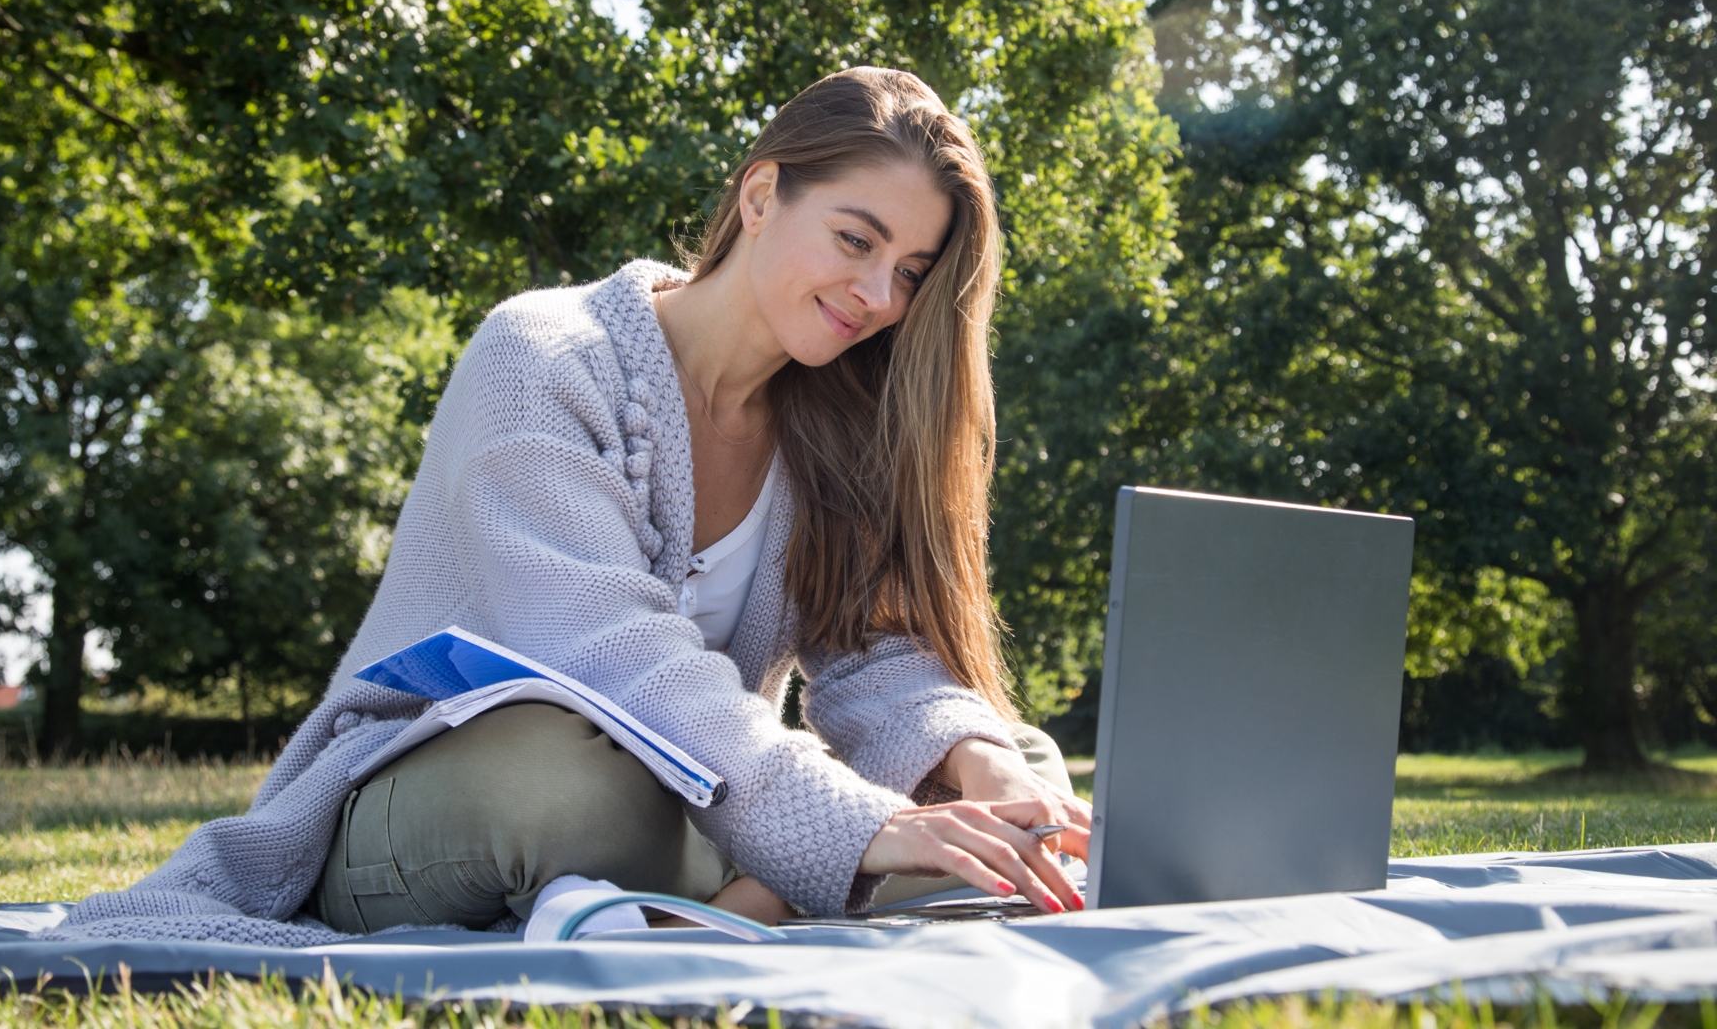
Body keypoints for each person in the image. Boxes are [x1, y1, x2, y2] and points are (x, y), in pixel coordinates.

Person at [55, 66, 1092, 945]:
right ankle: (766, 900)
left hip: (701, 809)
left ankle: (733, 909)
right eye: (856, 240)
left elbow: (879, 656)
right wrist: (848, 827)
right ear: (763, 193)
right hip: (453, 800)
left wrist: (975, 757)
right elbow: (610, 654)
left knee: (1014, 778)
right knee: (565, 775)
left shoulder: (840, 427)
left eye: (911, 272)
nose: (879, 297)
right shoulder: (544, 356)